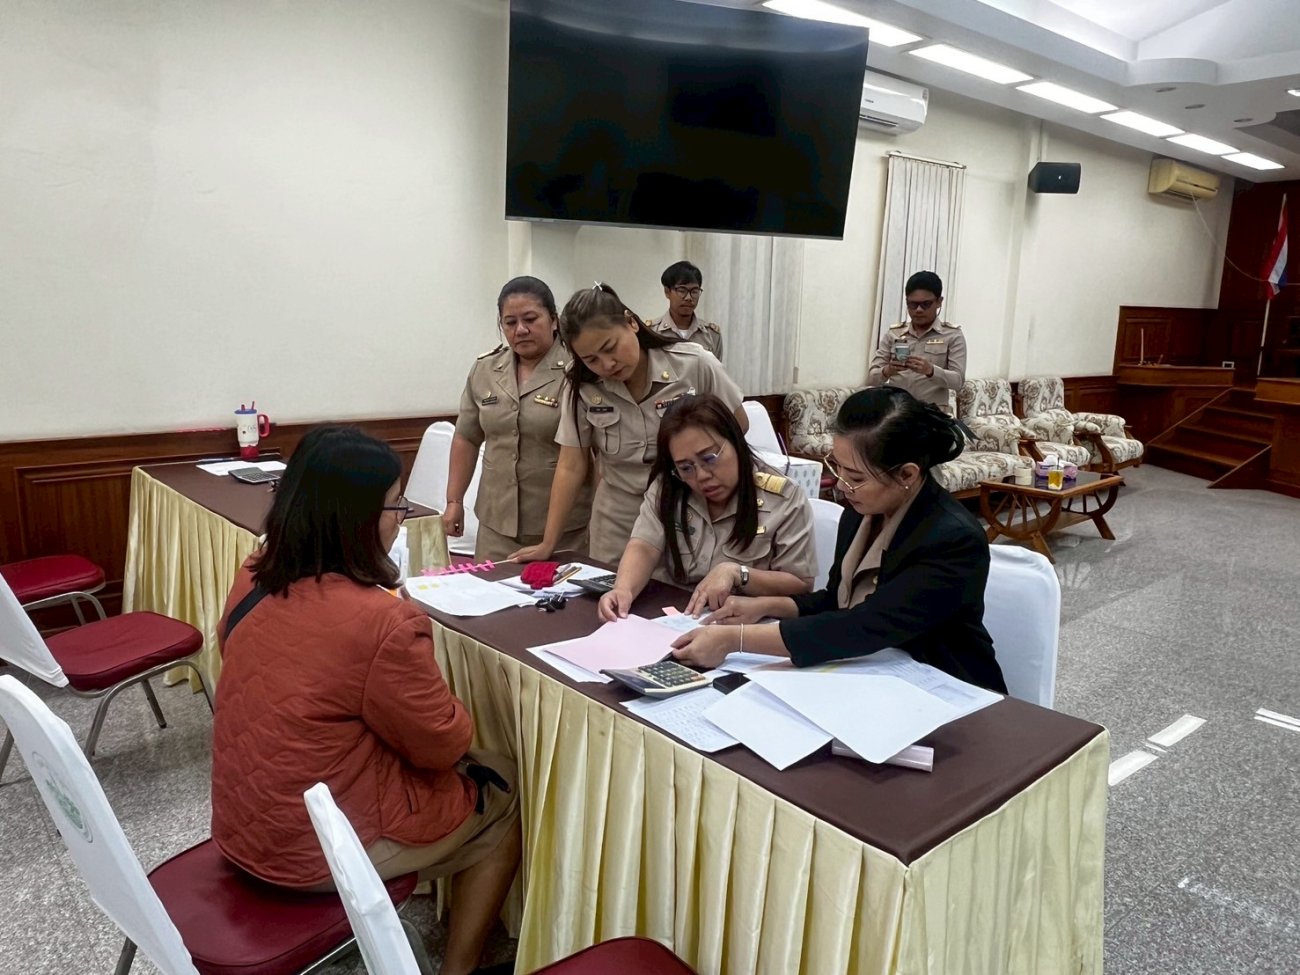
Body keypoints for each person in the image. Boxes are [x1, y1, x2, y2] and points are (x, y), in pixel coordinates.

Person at [211, 426, 520, 975]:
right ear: (356, 517)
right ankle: (461, 967)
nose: (399, 519)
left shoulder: (254, 575)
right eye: (394, 505)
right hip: (314, 853)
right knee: (503, 789)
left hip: (242, 824)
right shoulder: (381, 620)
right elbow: (442, 746)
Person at [669, 388, 1007, 693]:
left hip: (947, 687)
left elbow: (864, 625)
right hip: (874, 674)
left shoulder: (951, 538)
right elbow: (837, 600)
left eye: (856, 477)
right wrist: (765, 606)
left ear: (907, 474)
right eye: (837, 467)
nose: (842, 485)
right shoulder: (861, 513)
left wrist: (735, 639)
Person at [511, 283, 747, 566]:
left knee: (685, 588)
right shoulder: (581, 383)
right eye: (591, 359)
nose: (607, 364)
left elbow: (737, 427)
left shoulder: (694, 364)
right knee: (612, 589)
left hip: (687, 508)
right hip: (618, 518)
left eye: (610, 348)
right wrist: (549, 542)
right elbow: (571, 464)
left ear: (631, 323)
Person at [598, 394, 815, 621]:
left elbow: (801, 584)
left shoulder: (783, 497)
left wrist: (738, 573)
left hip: (744, 622)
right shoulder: (670, 487)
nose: (701, 476)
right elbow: (644, 546)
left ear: (735, 441)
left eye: (709, 458)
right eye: (686, 467)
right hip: (675, 615)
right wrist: (623, 589)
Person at [446, 276, 593, 561]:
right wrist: (454, 500)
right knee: (488, 589)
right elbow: (466, 437)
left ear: (553, 320)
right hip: (497, 524)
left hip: (564, 529)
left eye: (530, 319)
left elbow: (595, 456)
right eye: (510, 323)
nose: (521, 330)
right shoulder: (485, 369)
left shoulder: (579, 370)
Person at [868, 270, 966, 415]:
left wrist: (931, 371)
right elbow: (871, 378)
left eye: (926, 304)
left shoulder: (952, 335)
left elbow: (958, 382)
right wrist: (887, 370)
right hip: (897, 413)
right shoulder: (894, 333)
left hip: (932, 415)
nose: (918, 310)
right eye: (912, 304)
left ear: (939, 302)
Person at [645, 260, 724, 361]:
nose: (688, 298)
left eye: (694, 291)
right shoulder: (651, 332)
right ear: (667, 292)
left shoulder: (711, 335)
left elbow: (715, 370)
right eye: (682, 291)